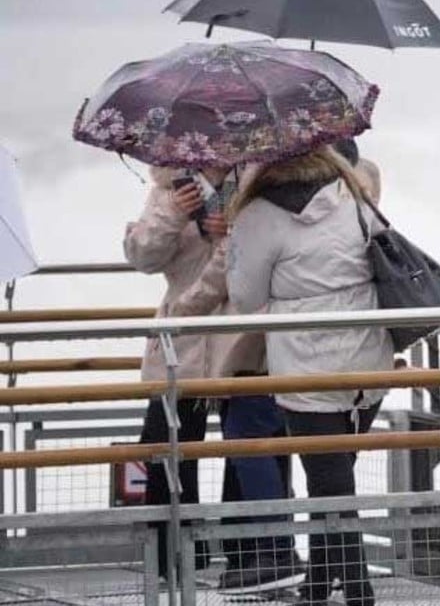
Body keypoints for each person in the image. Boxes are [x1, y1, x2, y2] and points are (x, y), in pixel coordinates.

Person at [226, 144, 391, 606]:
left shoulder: (258, 215)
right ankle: (317, 587)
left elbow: (244, 298)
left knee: (329, 484)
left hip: (307, 366)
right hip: (368, 359)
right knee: (333, 479)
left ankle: (359, 593)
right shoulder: (350, 196)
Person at [123, 163, 300, 588]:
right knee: (166, 444)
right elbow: (142, 256)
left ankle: (247, 555)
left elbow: (259, 254)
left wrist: (232, 235)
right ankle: (172, 557)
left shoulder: (259, 182)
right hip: (182, 341)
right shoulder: (170, 187)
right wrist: (173, 212)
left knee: (249, 445)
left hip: (240, 334)